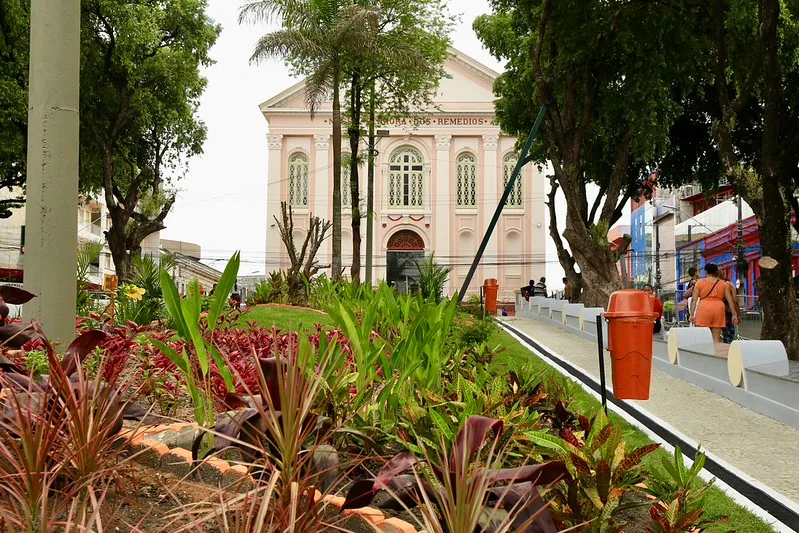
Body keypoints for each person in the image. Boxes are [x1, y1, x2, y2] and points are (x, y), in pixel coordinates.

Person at [690, 263, 739, 346]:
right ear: (716, 272)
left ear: (706, 272)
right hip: (718, 309)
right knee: (716, 339)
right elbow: (730, 301)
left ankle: (704, 355)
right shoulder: (724, 284)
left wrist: (691, 314)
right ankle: (715, 354)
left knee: (703, 338)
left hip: (704, 308)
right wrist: (734, 315)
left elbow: (694, 300)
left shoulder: (699, 283)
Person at [717, 271, 739, 343]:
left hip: (719, 309)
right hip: (729, 310)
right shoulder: (730, 285)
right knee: (729, 332)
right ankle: (728, 347)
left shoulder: (717, 285)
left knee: (716, 332)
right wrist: (736, 313)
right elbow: (735, 300)